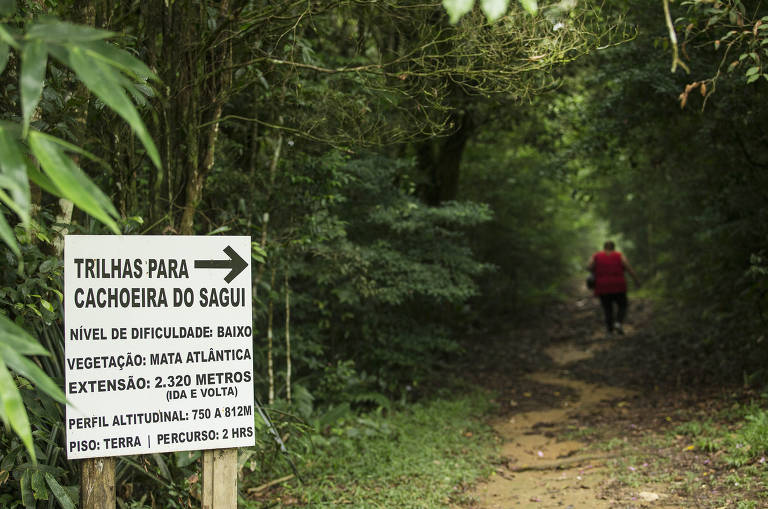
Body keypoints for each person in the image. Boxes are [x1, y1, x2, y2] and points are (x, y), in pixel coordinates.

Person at [587, 241, 640, 335]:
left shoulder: (596, 256)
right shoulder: (619, 255)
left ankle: (609, 330)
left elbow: (589, 266)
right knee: (623, 305)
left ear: (604, 248)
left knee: (607, 308)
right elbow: (628, 268)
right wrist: (636, 279)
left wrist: (596, 269)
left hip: (602, 286)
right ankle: (618, 323)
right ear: (614, 247)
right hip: (618, 285)